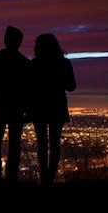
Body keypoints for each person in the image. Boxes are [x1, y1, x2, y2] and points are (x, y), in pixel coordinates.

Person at [0, 25, 31, 184]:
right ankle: (11, 176)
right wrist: (27, 110)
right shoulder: (24, 62)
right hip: (17, 107)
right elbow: (29, 89)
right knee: (15, 143)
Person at [29, 33, 76, 185]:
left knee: (42, 142)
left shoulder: (34, 64)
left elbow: (27, 88)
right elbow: (71, 86)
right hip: (57, 106)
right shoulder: (64, 63)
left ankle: (44, 177)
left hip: (39, 107)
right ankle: (50, 177)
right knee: (54, 143)